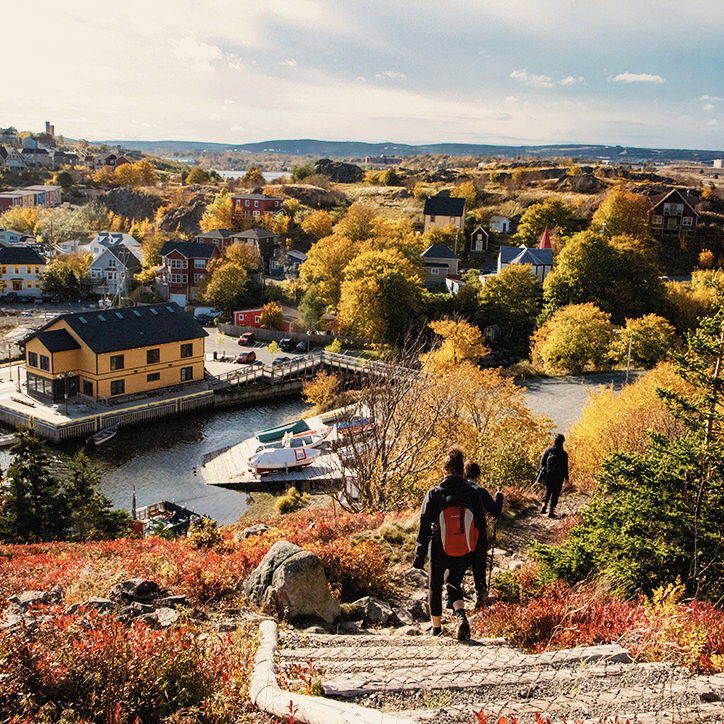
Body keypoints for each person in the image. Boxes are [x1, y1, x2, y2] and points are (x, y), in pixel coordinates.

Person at [413, 447, 486, 640]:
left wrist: (419, 557)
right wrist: (477, 552)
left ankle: (436, 628)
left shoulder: (435, 493)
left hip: (439, 547)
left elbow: (424, 526)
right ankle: (461, 615)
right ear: (462, 470)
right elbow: (481, 524)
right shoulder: (473, 492)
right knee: (454, 581)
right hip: (465, 548)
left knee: (435, 585)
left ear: (445, 469)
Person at [463, 461, 503, 608]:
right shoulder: (480, 491)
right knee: (479, 565)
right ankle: (481, 596)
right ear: (478, 475)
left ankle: (452, 598)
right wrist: (499, 496)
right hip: (478, 532)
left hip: (459, 533)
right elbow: (495, 511)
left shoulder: (459, 490)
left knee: (458, 565)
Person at [539, 433, 569, 518]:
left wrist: (543, 473)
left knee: (548, 489)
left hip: (549, 474)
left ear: (554, 441)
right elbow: (565, 467)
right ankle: (551, 511)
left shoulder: (548, 451)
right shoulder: (564, 454)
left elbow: (542, 463)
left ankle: (544, 505)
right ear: (562, 442)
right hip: (559, 476)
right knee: (556, 493)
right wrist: (566, 478)